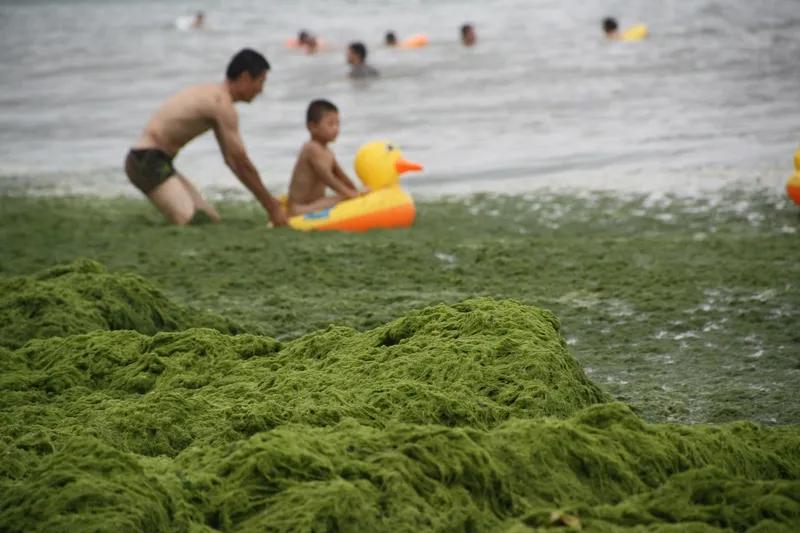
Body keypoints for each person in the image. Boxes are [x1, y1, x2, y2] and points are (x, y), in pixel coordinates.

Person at [125, 48, 287, 226]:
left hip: (159, 161)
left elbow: (232, 160)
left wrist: (271, 205)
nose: (261, 90)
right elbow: (240, 162)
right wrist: (272, 207)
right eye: (261, 81)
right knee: (190, 221)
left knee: (208, 220)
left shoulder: (214, 96)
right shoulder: (221, 103)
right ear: (245, 77)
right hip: (146, 161)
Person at [287, 100, 361, 216]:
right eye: (330, 124)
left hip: (315, 203)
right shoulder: (311, 148)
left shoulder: (328, 151)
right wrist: (350, 194)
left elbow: (341, 176)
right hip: (300, 208)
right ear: (313, 127)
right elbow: (328, 178)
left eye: (338, 124)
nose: (336, 128)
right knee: (341, 198)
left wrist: (356, 191)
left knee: (342, 197)